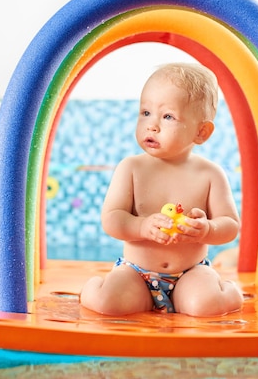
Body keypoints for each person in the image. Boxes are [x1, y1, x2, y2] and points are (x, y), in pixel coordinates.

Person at [80, 62, 243, 317]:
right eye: (145, 112)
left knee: (205, 306)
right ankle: (93, 288)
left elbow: (231, 225)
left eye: (167, 116)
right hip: (137, 272)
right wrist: (142, 227)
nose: (152, 125)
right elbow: (112, 220)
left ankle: (228, 291)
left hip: (190, 273)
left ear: (201, 132)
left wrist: (207, 229)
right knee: (107, 303)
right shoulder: (131, 168)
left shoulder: (210, 174)